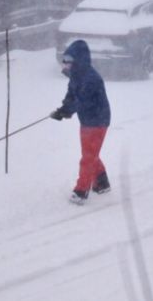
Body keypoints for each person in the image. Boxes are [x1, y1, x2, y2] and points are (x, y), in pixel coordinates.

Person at [50, 40, 111, 205]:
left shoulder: (91, 79)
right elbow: (72, 95)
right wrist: (62, 109)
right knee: (90, 153)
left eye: (69, 61)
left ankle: (81, 191)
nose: (66, 64)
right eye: (65, 60)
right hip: (86, 120)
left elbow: (82, 101)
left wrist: (67, 112)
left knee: (88, 156)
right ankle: (102, 182)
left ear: (79, 61)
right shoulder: (76, 76)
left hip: (98, 121)